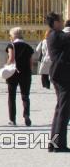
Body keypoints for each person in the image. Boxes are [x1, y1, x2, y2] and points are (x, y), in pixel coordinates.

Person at [46, 12, 70, 153]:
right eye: (60, 21)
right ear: (55, 22)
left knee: (60, 109)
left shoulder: (56, 35)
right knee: (64, 110)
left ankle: (54, 143)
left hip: (59, 73)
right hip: (63, 75)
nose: (62, 23)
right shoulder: (57, 35)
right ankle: (59, 144)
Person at [5, 27, 34, 126]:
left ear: (13, 35)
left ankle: (12, 119)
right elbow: (31, 63)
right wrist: (29, 72)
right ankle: (26, 116)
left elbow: (11, 58)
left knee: (12, 96)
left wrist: (6, 66)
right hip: (26, 73)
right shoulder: (28, 46)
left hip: (13, 73)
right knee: (25, 96)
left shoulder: (11, 45)